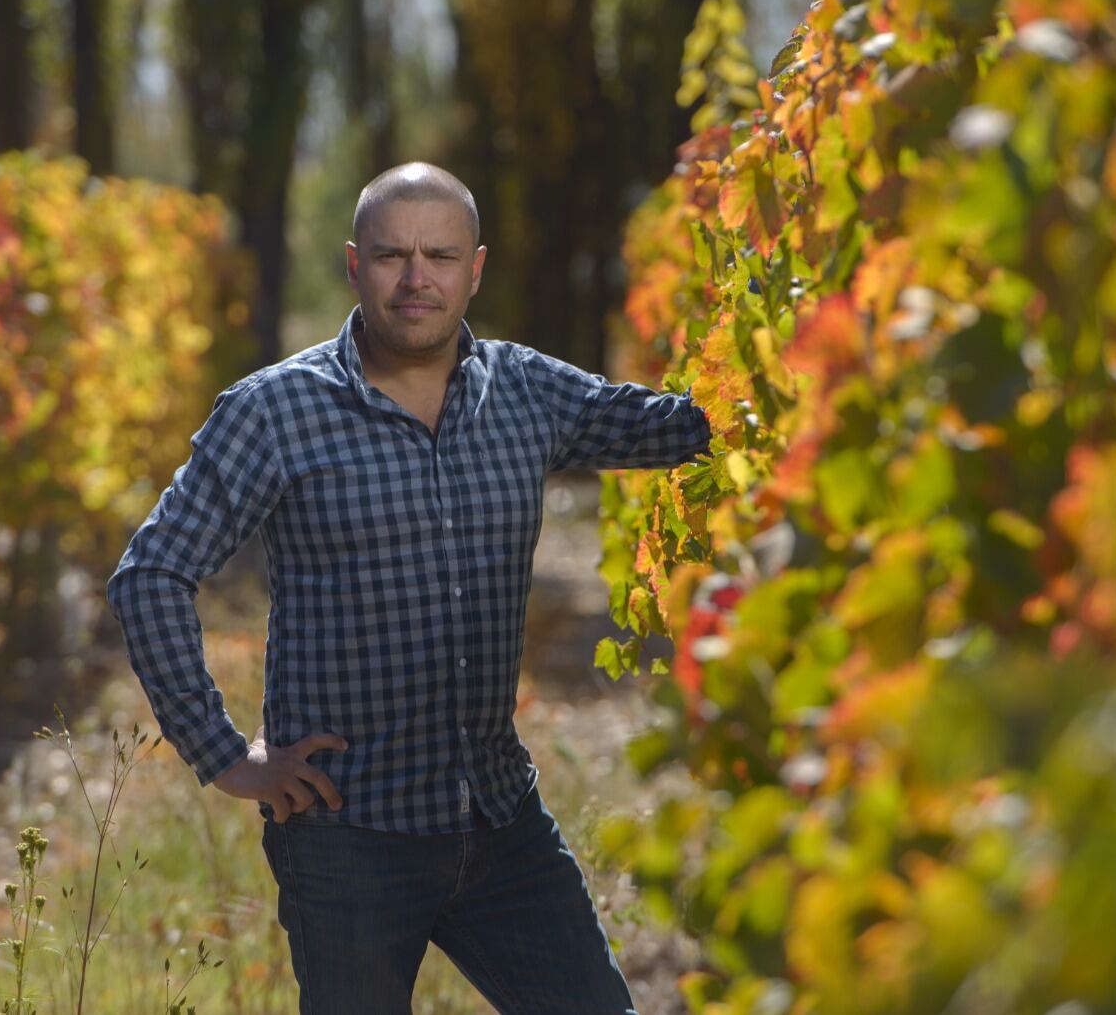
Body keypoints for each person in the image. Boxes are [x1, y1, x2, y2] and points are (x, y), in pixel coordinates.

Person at [106, 162, 713, 1014]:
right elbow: (151, 574)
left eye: (439, 254)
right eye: (394, 255)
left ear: (477, 268)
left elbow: (682, 429)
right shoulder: (275, 410)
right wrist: (226, 755)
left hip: (502, 823)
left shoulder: (526, 390)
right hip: (348, 841)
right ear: (356, 265)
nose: (416, 276)